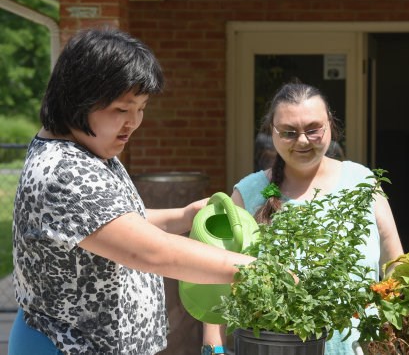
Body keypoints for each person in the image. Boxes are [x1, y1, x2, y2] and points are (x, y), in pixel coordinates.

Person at [8, 28, 256, 355]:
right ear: (77, 98)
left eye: (142, 108)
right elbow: (152, 252)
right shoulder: (65, 171)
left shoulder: (87, 147)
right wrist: (254, 271)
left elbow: (112, 223)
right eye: (122, 110)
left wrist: (184, 216)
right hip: (67, 345)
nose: (134, 123)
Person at [202, 81, 404, 355]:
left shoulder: (363, 183)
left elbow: (396, 266)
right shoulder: (247, 193)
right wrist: (213, 349)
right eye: (288, 132)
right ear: (271, 132)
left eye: (313, 129)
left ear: (330, 125)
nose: (302, 140)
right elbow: (217, 284)